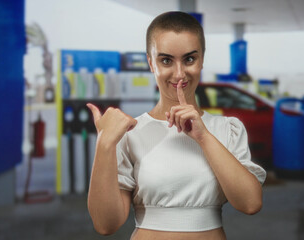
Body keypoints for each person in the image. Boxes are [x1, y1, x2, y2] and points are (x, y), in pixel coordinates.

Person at [86, 11, 266, 240]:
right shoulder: (130, 133)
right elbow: (105, 224)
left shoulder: (227, 129)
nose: (179, 73)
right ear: (151, 63)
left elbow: (250, 204)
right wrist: (104, 144)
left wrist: (204, 137)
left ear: (201, 59)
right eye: (166, 60)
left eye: (189, 59)